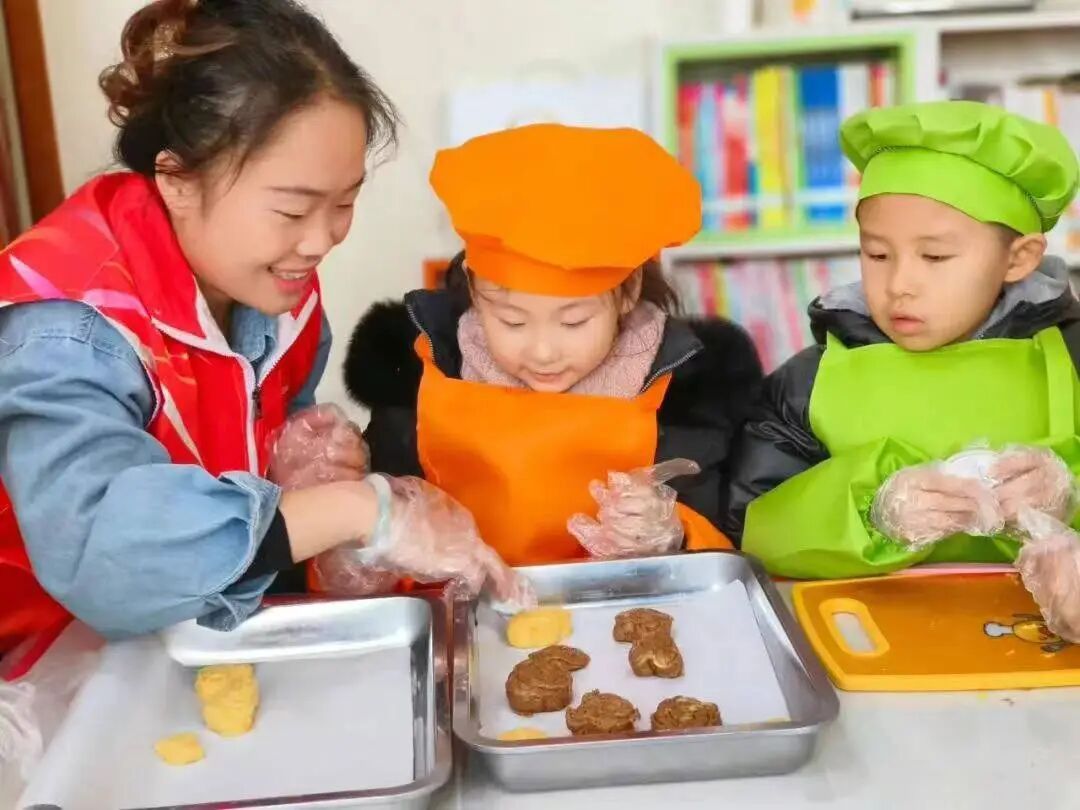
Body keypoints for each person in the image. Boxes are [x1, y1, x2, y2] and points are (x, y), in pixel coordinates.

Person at [0, 0, 525, 651]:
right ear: (177, 179)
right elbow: (106, 562)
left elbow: (269, 462)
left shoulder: (276, 290)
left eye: (344, 203)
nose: (320, 241)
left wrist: (299, 464)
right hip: (47, 667)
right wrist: (359, 510)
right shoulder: (66, 330)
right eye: (292, 211)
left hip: (201, 646)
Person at [324, 123, 762, 592]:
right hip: (464, 618)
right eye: (512, 321)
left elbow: (726, 555)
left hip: (618, 616)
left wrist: (674, 536)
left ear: (629, 291)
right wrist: (359, 530)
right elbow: (371, 539)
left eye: (574, 323)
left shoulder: (688, 395)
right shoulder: (421, 371)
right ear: (473, 287)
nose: (543, 351)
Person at [724, 101, 1080, 636]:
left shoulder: (1071, 362)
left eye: (934, 257)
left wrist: (1067, 490)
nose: (899, 285)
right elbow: (751, 525)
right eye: (877, 254)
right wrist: (872, 513)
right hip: (865, 642)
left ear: (1018, 258)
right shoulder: (807, 383)